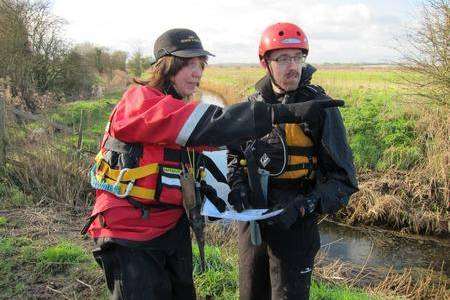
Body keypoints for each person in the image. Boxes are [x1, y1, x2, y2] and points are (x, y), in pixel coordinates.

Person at [83, 28, 343, 300]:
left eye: (201, 65)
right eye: (189, 64)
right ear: (166, 65)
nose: (198, 73)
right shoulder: (139, 102)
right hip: (130, 234)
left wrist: (211, 196)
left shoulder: (177, 109)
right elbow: (214, 128)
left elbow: (222, 147)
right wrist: (280, 113)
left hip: (171, 228)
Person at [227, 22, 358, 300]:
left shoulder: (320, 108)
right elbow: (235, 156)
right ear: (265, 63)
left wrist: (305, 205)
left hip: (296, 222)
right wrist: (237, 185)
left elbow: (344, 180)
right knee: (250, 294)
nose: (293, 66)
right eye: (283, 58)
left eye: (298, 57)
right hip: (254, 223)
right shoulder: (253, 106)